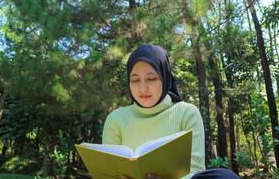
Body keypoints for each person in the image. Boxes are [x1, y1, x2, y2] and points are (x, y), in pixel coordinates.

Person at [102, 44, 239, 179]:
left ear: (165, 77)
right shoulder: (116, 119)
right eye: (135, 80)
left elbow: (195, 170)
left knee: (225, 176)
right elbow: (108, 173)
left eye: (151, 78)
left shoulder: (187, 112)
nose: (143, 88)